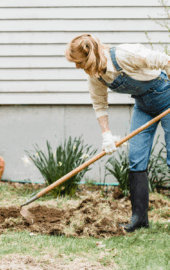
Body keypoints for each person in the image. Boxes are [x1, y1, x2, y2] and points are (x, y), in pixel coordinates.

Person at [65, 34, 170, 232]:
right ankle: (139, 219)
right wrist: (106, 135)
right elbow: (100, 105)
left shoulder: (124, 54)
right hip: (144, 106)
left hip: (167, 96)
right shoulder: (96, 74)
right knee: (136, 158)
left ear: (89, 56)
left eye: (78, 62)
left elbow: (164, 60)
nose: (78, 67)